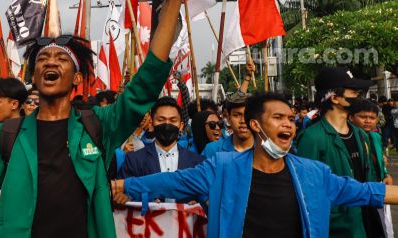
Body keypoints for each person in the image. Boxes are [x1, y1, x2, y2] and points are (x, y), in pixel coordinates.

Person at [0, 0, 191, 238]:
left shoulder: (98, 126)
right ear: (33, 76)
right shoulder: (8, 135)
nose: (50, 61)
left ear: (76, 78)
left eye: (61, 59)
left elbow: (145, 85)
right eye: (42, 60)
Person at [112, 93, 398, 238]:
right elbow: (173, 181)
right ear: (255, 125)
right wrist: (122, 185)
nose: (287, 123)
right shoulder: (222, 167)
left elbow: (366, 192)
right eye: (278, 118)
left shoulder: (313, 174)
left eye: (290, 118)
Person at [296, 67, 382, 238]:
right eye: (353, 92)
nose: (359, 97)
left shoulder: (361, 135)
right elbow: (307, 191)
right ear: (335, 97)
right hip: (336, 228)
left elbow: (369, 178)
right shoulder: (311, 138)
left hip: (365, 223)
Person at [119, 97, 204, 182]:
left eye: (173, 120)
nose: (167, 124)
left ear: (181, 126)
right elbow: (123, 191)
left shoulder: (197, 163)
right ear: (152, 123)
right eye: (161, 120)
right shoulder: (134, 160)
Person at [349, 99, 393, 185]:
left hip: (377, 185)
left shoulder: (376, 136)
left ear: (377, 120)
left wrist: (386, 175)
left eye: (372, 118)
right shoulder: (348, 138)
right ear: (351, 117)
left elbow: (381, 161)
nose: (368, 121)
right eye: (363, 117)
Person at [202, 92, 254, 158]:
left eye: (247, 115)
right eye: (237, 115)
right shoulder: (212, 150)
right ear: (228, 118)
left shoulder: (266, 150)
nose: (243, 121)